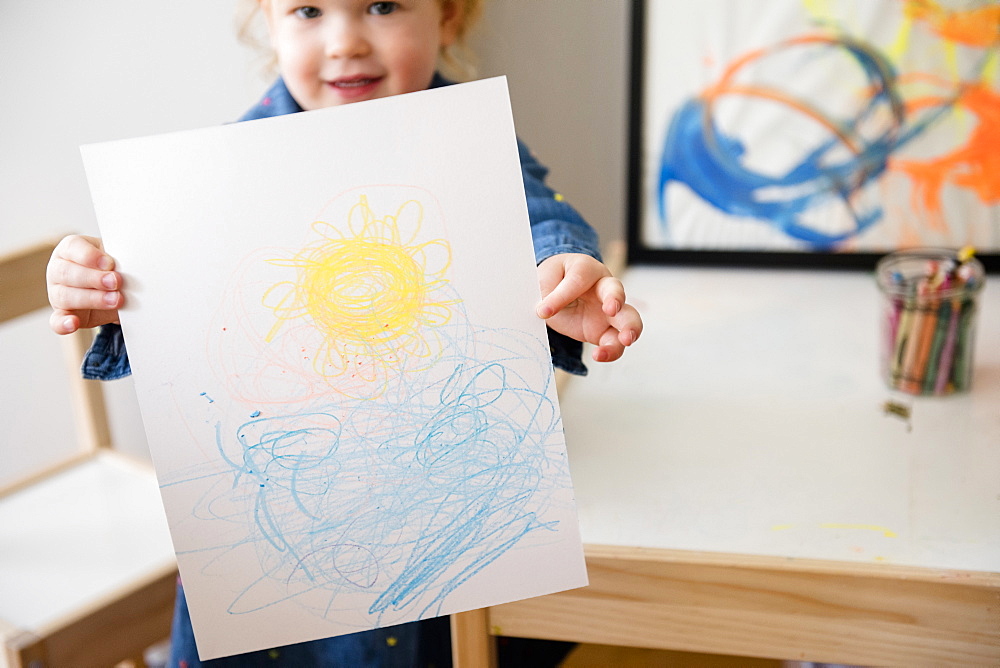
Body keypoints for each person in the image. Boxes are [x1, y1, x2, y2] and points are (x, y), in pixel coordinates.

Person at [45, 1, 642, 665]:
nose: (345, 42)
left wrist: (562, 273)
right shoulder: (220, 167)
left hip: (436, 494)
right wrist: (106, 292)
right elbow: (176, 304)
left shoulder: (467, 138)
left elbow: (541, 224)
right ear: (268, 23)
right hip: (284, 508)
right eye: (308, 10)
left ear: (448, 16)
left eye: (382, 5)